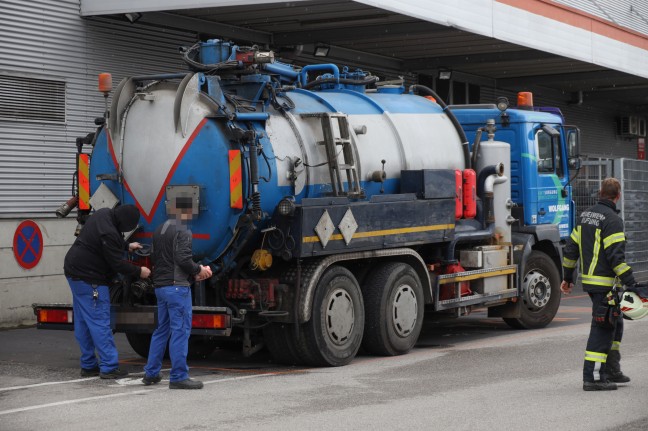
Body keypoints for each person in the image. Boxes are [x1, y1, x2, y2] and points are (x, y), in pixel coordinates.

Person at [561, 177, 637, 391]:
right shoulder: (612, 220)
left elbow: (571, 248)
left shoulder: (585, 215)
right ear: (617, 196)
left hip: (592, 283)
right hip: (604, 284)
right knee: (603, 328)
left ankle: (612, 369)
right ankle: (593, 378)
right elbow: (616, 258)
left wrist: (567, 277)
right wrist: (632, 284)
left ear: (600, 193)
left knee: (616, 324)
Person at [64, 204, 151, 379]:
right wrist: (139, 272)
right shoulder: (110, 234)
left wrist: (126, 246)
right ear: (125, 223)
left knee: (83, 320)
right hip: (90, 278)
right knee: (99, 322)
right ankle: (109, 366)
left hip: (73, 271)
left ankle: (88, 365)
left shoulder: (104, 213)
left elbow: (105, 241)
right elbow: (116, 264)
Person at [142, 196, 212, 389]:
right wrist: (199, 270)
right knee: (180, 331)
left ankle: (151, 373)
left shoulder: (159, 229)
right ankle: (179, 376)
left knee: (161, 330)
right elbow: (182, 258)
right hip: (176, 288)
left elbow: (155, 256)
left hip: (161, 287)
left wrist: (190, 273)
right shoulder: (183, 230)